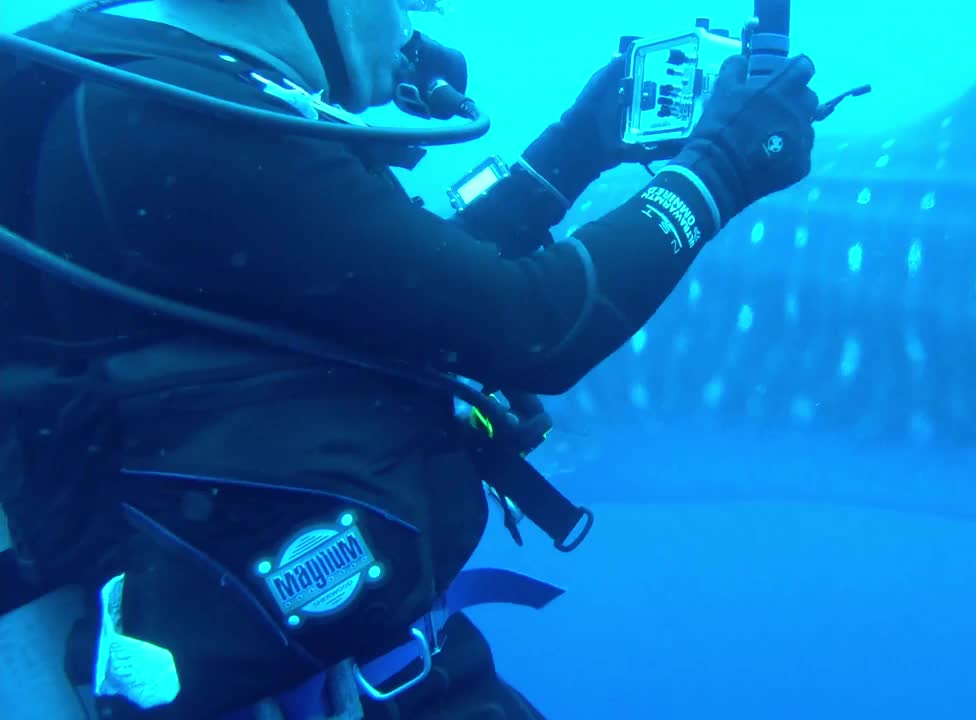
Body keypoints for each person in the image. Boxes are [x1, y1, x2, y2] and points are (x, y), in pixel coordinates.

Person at [0, 0, 820, 718]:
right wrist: (720, 168)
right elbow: (532, 327)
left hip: (277, 653)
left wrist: (574, 147)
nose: (410, 28)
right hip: (318, 685)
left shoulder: (114, 85)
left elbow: (399, 296)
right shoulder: (185, 118)